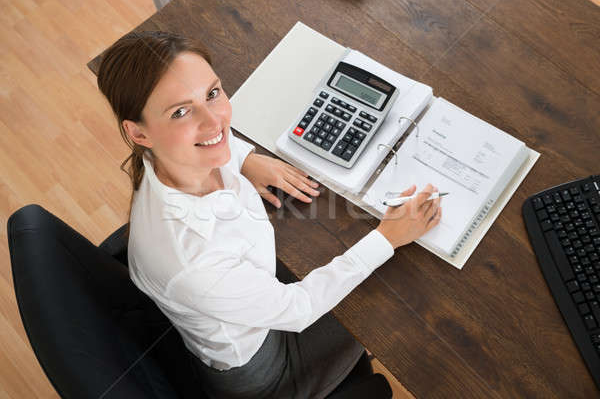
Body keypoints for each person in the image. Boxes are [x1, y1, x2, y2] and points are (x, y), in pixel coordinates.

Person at [97, 30, 442, 399]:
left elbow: (208, 134)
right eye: (180, 111)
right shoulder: (192, 260)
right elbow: (299, 308)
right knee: (404, 305)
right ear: (139, 133)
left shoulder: (162, 158)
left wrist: (245, 159)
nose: (214, 122)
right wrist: (386, 236)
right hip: (269, 373)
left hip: (248, 299)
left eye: (212, 94)